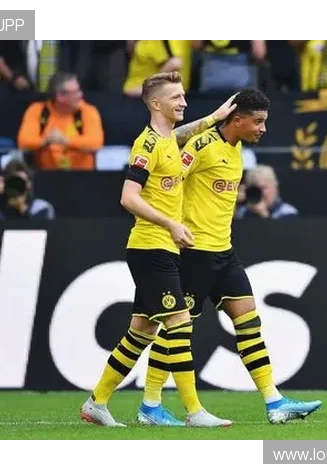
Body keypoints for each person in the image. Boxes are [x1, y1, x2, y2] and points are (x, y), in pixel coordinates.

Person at [140, 89, 322, 425]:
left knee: (249, 323)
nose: (263, 128)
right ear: (237, 120)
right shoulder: (201, 145)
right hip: (193, 253)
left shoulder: (237, 150)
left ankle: (274, 402)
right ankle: (150, 404)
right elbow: (167, 180)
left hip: (224, 253)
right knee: (175, 331)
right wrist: (171, 226)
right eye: (258, 121)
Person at [80, 71, 239, 428]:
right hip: (151, 247)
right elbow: (128, 198)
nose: (183, 102)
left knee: (141, 331)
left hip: (161, 248)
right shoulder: (147, 145)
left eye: (183, 96)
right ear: (156, 104)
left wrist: (213, 118)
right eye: (176, 97)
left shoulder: (167, 138)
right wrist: (170, 223)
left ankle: (97, 403)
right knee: (180, 323)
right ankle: (194, 411)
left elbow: (179, 135)